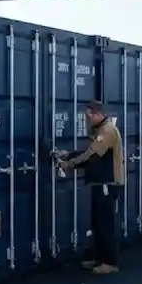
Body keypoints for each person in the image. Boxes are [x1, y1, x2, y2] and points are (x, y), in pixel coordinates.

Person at [53, 100, 125, 274]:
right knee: (97, 222)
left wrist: (68, 164)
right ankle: (99, 258)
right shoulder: (100, 130)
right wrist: (69, 154)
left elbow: (91, 156)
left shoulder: (107, 131)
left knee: (105, 223)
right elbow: (89, 152)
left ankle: (110, 262)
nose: (88, 119)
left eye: (89, 115)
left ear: (98, 113)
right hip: (100, 184)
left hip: (107, 184)